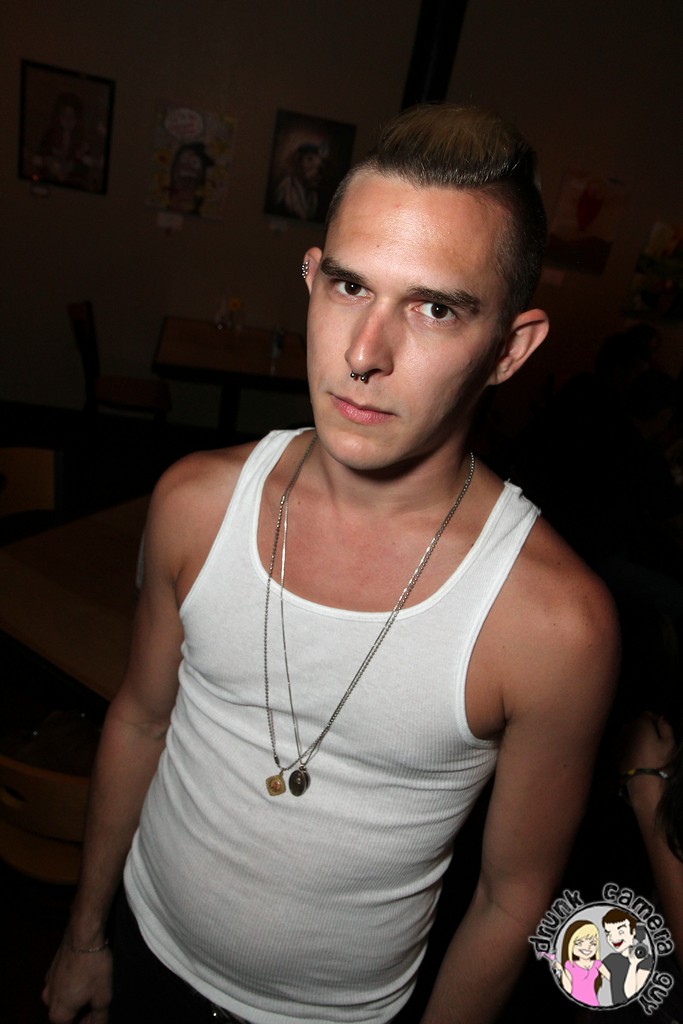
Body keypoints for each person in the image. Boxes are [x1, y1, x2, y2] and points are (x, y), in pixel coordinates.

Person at [43, 103, 619, 1024]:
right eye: (350, 287)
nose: (363, 354)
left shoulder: (552, 625)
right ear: (311, 278)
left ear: (509, 350)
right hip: (143, 952)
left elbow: (510, 898)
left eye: (433, 308)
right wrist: (84, 936)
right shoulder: (194, 503)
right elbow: (142, 721)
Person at [552, 920, 610, 1007]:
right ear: (570, 944)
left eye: (593, 943)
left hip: (593, 1004)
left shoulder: (597, 964)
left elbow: (613, 979)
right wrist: (561, 970)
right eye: (579, 943)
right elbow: (569, 989)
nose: (587, 947)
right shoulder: (569, 965)